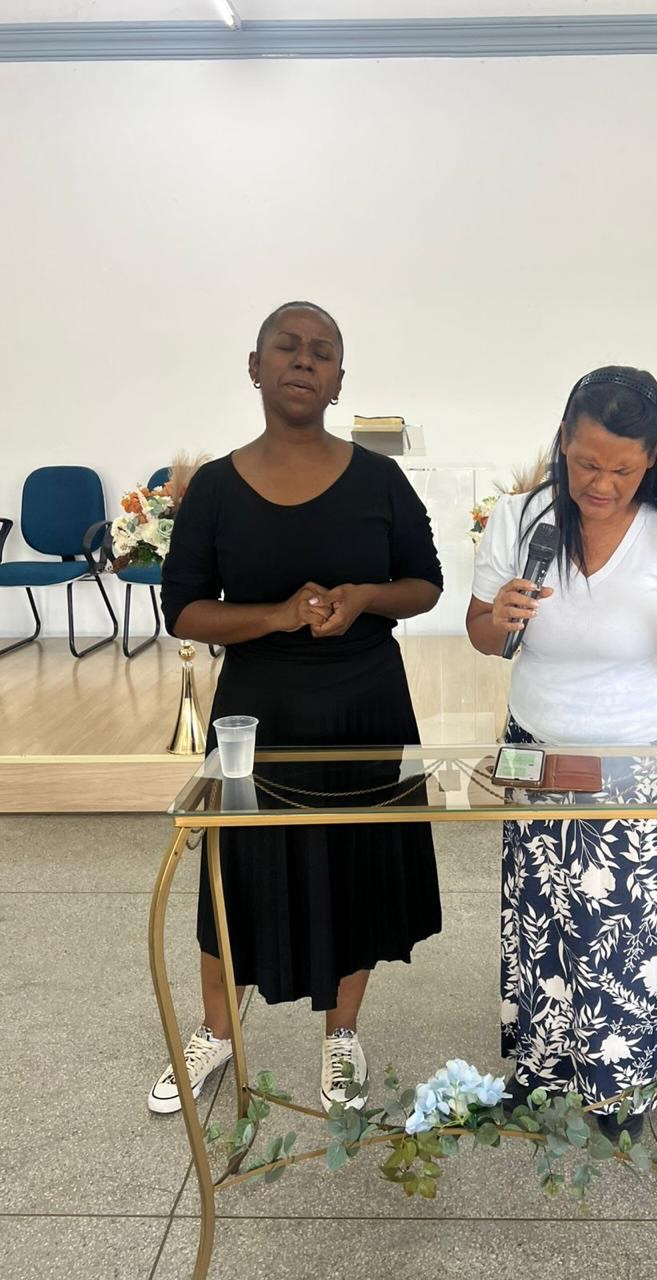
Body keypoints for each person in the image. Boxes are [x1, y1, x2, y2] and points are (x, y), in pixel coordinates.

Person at [150, 301, 443, 1115]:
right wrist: (279, 615)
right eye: (287, 347)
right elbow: (184, 611)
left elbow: (425, 583)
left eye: (322, 352)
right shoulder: (215, 487)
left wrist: (365, 597)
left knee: (356, 869)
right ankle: (216, 1032)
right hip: (256, 714)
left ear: (340, 380)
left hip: (365, 705)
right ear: (255, 366)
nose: (304, 361)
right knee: (233, 873)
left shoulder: (379, 480)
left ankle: (341, 1034)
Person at [467, 366, 657, 1139]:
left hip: (642, 756)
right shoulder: (521, 518)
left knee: (628, 930)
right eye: (585, 463)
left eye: (622, 470)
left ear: (654, 458)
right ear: (562, 442)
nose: (600, 485)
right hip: (537, 750)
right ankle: (543, 1069)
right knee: (544, 918)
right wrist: (497, 617)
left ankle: (626, 1085)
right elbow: (481, 633)